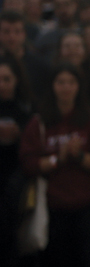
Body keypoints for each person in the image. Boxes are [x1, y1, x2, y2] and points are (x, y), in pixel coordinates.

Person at [19, 63, 90, 267]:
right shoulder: (39, 122)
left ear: (79, 87)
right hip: (53, 205)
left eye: (71, 82)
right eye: (61, 82)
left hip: (87, 205)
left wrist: (79, 156)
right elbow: (29, 164)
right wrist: (58, 159)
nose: (66, 87)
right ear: (52, 86)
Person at [0, 55, 32, 265]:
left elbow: (35, 148)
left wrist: (20, 135)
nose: (1, 85)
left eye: (6, 79)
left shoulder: (26, 109)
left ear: (16, 80)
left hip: (16, 181)